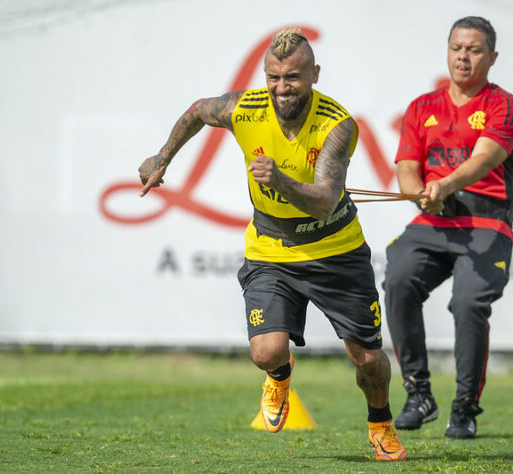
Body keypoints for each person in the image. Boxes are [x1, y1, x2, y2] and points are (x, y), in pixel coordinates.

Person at [138, 28, 406, 461]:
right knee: (265, 351)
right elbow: (196, 112)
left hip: (335, 250)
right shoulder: (246, 108)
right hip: (270, 249)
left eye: (294, 77)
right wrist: (162, 158)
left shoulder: (337, 126)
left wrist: (279, 178)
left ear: (315, 74)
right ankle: (279, 375)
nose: (282, 88)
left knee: (369, 361)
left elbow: (323, 204)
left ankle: (380, 423)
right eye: (274, 77)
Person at [384, 16, 513, 439]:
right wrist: (418, 193)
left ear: (492, 57)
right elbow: (407, 170)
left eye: (474, 49)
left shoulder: (503, 105)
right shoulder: (421, 108)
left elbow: (484, 159)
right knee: (399, 279)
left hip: (486, 222)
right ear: (447, 51)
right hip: (433, 220)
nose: (463, 56)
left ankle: (464, 407)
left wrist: (443, 184)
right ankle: (418, 393)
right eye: (457, 48)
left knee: (468, 303)